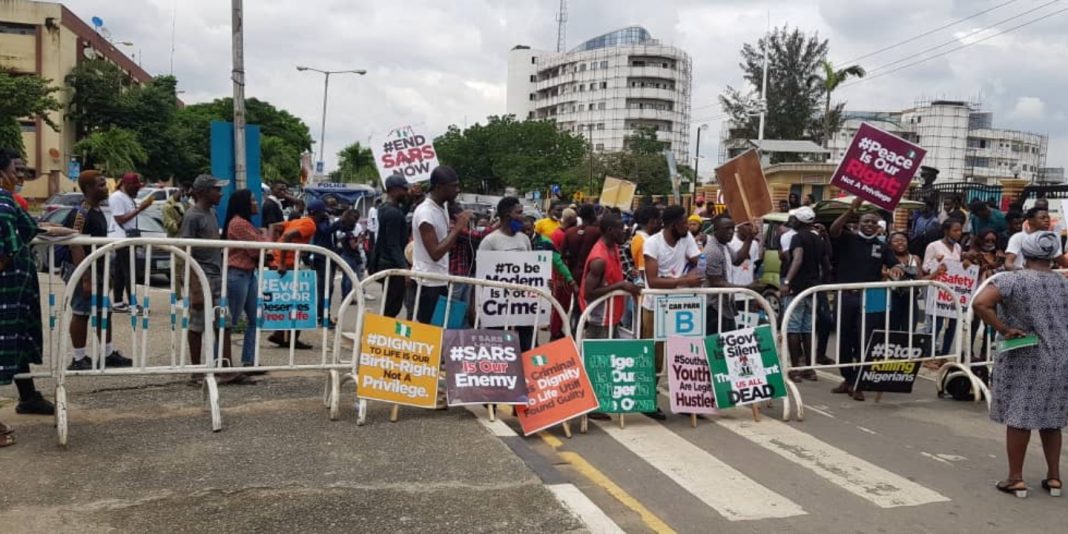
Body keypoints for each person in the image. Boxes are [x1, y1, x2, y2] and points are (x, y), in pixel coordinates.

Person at [972, 231, 1068, 498]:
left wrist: (1004, 328)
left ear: (1025, 252)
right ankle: (1054, 478)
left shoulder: (1011, 280)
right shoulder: (1062, 283)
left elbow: (980, 303)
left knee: (1019, 417)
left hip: (1024, 356)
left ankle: (1015, 478)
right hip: (1060, 357)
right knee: (1052, 420)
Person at [0, 149, 57, 435]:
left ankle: (28, 396)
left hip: (16, 291)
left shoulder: (8, 200)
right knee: (6, 342)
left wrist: (54, 230)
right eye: (16, 170)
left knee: (16, 341)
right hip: (6, 291)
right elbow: (8, 247)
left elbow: (30, 228)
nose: (19, 176)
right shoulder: (2, 201)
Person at [180, 175, 250, 384]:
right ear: (203, 192)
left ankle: (225, 368)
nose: (220, 194)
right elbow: (185, 251)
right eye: (216, 190)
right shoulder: (193, 216)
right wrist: (194, 287)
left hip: (215, 275)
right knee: (197, 324)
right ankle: (196, 372)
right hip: (202, 276)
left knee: (223, 322)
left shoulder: (211, 213)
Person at [64, 171, 133, 371]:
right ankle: (79, 358)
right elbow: (75, 244)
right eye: (101, 185)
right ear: (88, 188)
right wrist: (85, 278)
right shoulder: (81, 213)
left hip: (99, 269)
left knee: (105, 312)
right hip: (83, 270)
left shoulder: (97, 209)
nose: (106, 188)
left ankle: (108, 354)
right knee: (82, 313)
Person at [642, 205, 702, 420]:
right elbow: (653, 281)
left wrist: (694, 272)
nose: (688, 226)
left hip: (681, 303)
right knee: (655, 355)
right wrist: (685, 280)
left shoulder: (686, 238)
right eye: (684, 222)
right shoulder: (653, 243)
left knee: (684, 352)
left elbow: (698, 262)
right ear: (674, 224)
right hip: (655, 305)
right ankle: (648, 400)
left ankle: (687, 400)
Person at [829, 197, 888, 401]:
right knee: (844, 339)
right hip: (846, 297)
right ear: (858, 223)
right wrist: (851, 209)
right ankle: (848, 378)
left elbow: (894, 264)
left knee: (865, 340)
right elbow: (834, 230)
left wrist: (897, 268)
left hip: (870, 299)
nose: (870, 225)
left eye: (873, 222)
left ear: (878, 226)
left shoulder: (882, 246)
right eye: (866, 221)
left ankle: (858, 383)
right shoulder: (848, 238)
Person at [412, 166, 471, 324]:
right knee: (428, 330)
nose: (458, 190)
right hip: (428, 283)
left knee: (440, 329)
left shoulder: (442, 206)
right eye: (453, 186)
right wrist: (458, 227)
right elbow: (435, 253)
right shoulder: (426, 213)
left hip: (440, 279)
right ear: (439, 187)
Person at [267, 199, 329, 350]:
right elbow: (287, 237)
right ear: (319, 213)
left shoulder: (298, 221)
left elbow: (274, 226)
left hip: (280, 262)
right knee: (301, 302)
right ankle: (291, 339)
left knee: (286, 302)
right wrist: (282, 262)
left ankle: (280, 334)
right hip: (287, 265)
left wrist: (271, 246)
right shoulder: (310, 224)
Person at [779, 207, 828, 382]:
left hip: (797, 288)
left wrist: (787, 281)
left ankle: (794, 369)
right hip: (812, 288)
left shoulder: (797, 237)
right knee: (807, 329)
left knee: (793, 328)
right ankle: (809, 369)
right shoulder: (818, 238)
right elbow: (825, 263)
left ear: (798, 221)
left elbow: (797, 259)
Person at [479, 197, 535, 348]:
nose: (522, 217)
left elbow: (532, 270)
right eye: (519, 213)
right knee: (497, 344)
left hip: (522, 304)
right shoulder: (490, 241)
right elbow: (481, 275)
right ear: (506, 215)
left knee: (526, 343)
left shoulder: (524, 239)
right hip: (497, 305)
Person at [223, 189, 269, 368]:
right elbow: (258, 248)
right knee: (230, 321)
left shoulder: (246, 223)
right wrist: (264, 236)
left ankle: (250, 360)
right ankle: (221, 362)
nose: (256, 203)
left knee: (257, 318)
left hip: (248, 274)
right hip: (237, 274)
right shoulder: (239, 223)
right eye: (253, 200)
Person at [108, 172, 155, 312]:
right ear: (126, 185)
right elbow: (120, 219)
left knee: (120, 272)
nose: (137, 190)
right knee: (130, 272)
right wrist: (140, 208)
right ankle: (133, 303)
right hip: (122, 238)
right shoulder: (117, 197)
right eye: (135, 187)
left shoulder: (126, 197)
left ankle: (118, 302)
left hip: (126, 238)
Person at [368, 174, 411, 317]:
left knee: (390, 304)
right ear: (394, 190)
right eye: (404, 189)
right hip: (392, 265)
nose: (406, 192)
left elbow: (401, 212)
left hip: (384, 262)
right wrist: (404, 269)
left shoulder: (385, 208)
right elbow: (393, 244)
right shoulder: (393, 213)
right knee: (392, 307)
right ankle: (382, 329)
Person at [923, 219, 967, 357]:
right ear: (946, 231)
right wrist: (936, 261)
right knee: (936, 324)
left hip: (953, 290)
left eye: (960, 230)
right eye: (955, 230)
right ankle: (928, 354)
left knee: (953, 323)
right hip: (938, 291)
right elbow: (925, 267)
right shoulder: (934, 246)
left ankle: (945, 354)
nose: (958, 233)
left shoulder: (958, 247)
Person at [884, 231, 923, 332]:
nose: (900, 242)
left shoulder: (915, 258)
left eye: (903, 240)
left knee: (910, 329)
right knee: (892, 328)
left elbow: (920, 279)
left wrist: (936, 272)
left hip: (911, 297)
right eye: (896, 241)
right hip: (892, 297)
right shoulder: (886, 259)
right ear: (890, 244)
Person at [1006, 207, 1067, 271]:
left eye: (1048, 218)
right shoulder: (1018, 237)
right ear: (1031, 220)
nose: (1047, 220)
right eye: (1042, 218)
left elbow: (1061, 260)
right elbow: (1008, 264)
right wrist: (1021, 273)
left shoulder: (1051, 238)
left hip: (1045, 274)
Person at [563, 204, 602, 283]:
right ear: (593, 215)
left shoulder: (570, 232)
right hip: (590, 274)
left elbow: (562, 254)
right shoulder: (597, 232)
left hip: (573, 274)